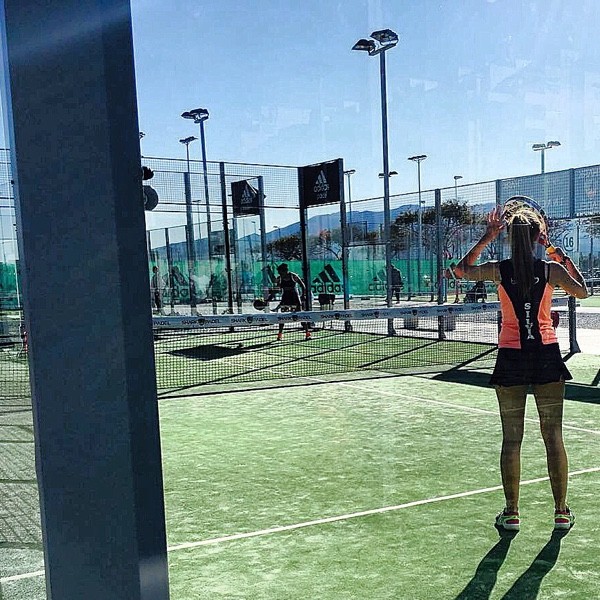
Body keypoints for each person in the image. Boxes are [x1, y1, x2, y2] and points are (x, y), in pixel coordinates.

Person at [454, 204, 588, 532]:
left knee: (512, 440)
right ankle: (561, 512)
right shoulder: (550, 270)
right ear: (536, 236)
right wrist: (554, 251)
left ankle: (512, 513)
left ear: (509, 237)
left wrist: (487, 236)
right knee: (553, 436)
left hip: (512, 358)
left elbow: (461, 271)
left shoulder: (499, 270)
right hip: (546, 357)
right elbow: (582, 291)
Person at [274, 263, 310, 341]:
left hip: (295, 298)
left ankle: (307, 333)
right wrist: (269, 298)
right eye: (279, 273)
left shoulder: (294, 276)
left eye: (281, 272)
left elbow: (303, 286)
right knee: (282, 317)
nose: (280, 274)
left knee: (300, 316)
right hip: (285, 298)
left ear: (286, 271)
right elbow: (277, 289)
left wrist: (303, 295)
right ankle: (279, 335)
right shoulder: (279, 278)